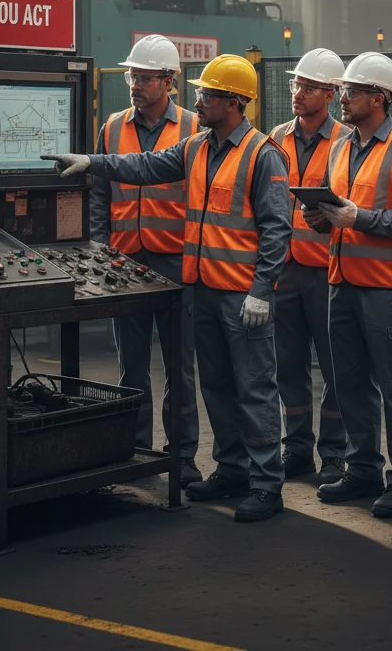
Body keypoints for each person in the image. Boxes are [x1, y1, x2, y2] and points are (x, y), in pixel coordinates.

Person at [46, 54, 292, 523]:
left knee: (255, 388)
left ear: (235, 102)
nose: (197, 100)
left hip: (243, 296)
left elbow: (278, 230)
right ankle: (232, 469)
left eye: (208, 94)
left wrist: (263, 290)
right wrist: (91, 161)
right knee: (218, 386)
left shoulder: (263, 155)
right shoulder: (197, 147)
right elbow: (142, 166)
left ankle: (266, 483)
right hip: (203, 290)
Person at [303, 52, 392, 520]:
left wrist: (360, 218)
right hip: (342, 283)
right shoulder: (339, 147)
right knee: (349, 383)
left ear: (379, 98)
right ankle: (363, 469)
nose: (342, 98)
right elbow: (342, 213)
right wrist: (323, 219)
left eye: (351, 92)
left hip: (385, 289)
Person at [89, 33, 202, 487]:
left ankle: (183, 455)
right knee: (130, 364)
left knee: (180, 365)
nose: (135, 84)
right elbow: (100, 192)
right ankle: (135, 449)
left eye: (145, 77)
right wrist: (100, 247)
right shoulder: (113, 126)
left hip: (177, 262)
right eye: (132, 75)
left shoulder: (194, 129)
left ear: (170, 81)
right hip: (124, 263)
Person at [269, 48, 348, 485]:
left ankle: (334, 454)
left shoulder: (345, 142)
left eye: (310, 87)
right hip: (285, 270)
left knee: (336, 367)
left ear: (332, 94)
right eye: (296, 84)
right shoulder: (276, 138)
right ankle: (296, 449)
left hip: (327, 270)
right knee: (288, 364)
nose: (298, 93)